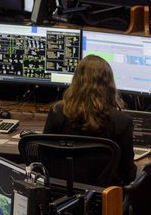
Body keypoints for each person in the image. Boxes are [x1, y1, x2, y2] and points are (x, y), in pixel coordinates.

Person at [43, 54, 136, 184]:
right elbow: (128, 174)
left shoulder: (57, 112)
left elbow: (44, 158)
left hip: (61, 192)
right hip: (103, 194)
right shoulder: (121, 121)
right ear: (109, 84)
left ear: (76, 81)